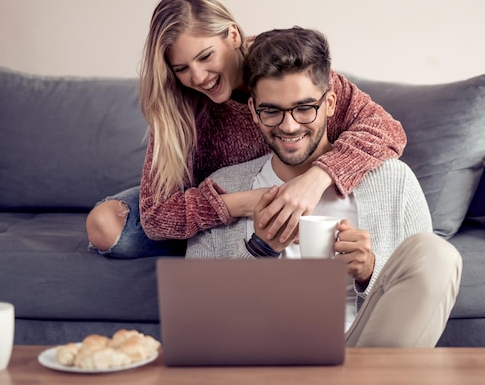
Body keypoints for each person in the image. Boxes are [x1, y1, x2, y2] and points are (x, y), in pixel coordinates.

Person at [186, 26, 462, 347]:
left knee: (437, 254)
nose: (289, 127)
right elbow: (196, 310)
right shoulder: (224, 187)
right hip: (263, 355)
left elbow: (420, 297)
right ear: (253, 111)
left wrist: (369, 271)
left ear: (330, 103)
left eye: (305, 108)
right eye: (271, 111)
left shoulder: (392, 180)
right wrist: (259, 250)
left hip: (363, 353)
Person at [86, 0, 407, 258]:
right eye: (181, 68)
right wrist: (243, 204)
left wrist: (318, 178)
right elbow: (156, 217)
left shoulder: (283, 63)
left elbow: (387, 130)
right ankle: (206, 245)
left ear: (233, 35)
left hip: (299, 189)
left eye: (205, 56)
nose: (197, 77)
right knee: (104, 224)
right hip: (223, 200)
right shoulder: (178, 103)